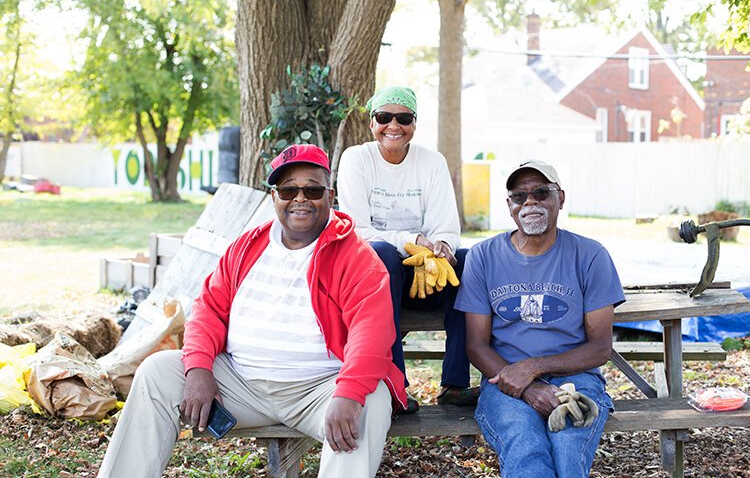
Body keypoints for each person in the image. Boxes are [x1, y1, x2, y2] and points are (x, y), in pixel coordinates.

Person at [97, 144, 407, 478]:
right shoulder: (246, 246)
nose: (300, 198)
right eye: (288, 189)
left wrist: (348, 393)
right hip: (240, 385)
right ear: (274, 197)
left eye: (312, 189)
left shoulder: (357, 257)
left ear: (330, 196)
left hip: (318, 390)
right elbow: (208, 309)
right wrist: (199, 368)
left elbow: (371, 334)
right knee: (157, 371)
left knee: (370, 399)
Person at [455, 159, 625, 477]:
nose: (530, 202)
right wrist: (527, 388)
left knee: (568, 443)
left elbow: (600, 347)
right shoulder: (482, 257)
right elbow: (476, 346)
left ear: (560, 198)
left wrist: (534, 368)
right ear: (509, 206)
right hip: (503, 382)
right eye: (520, 196)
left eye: (541, 192)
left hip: (578, 380)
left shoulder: (590, 256)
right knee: (525, 444)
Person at [337, 86, 476, 413]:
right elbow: (358, 230)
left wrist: (441, 247)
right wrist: (412, 240)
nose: (393, 126)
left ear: (414, 123)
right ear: (371, 123)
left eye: (404, 118)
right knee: (383, 253)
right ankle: (394, 385)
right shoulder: (357, 159)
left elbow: (446, 226)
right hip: (373, 282)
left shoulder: (432, 162)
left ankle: (455, 384)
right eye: (384, 117)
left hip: (423, 275)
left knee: (471, 261)